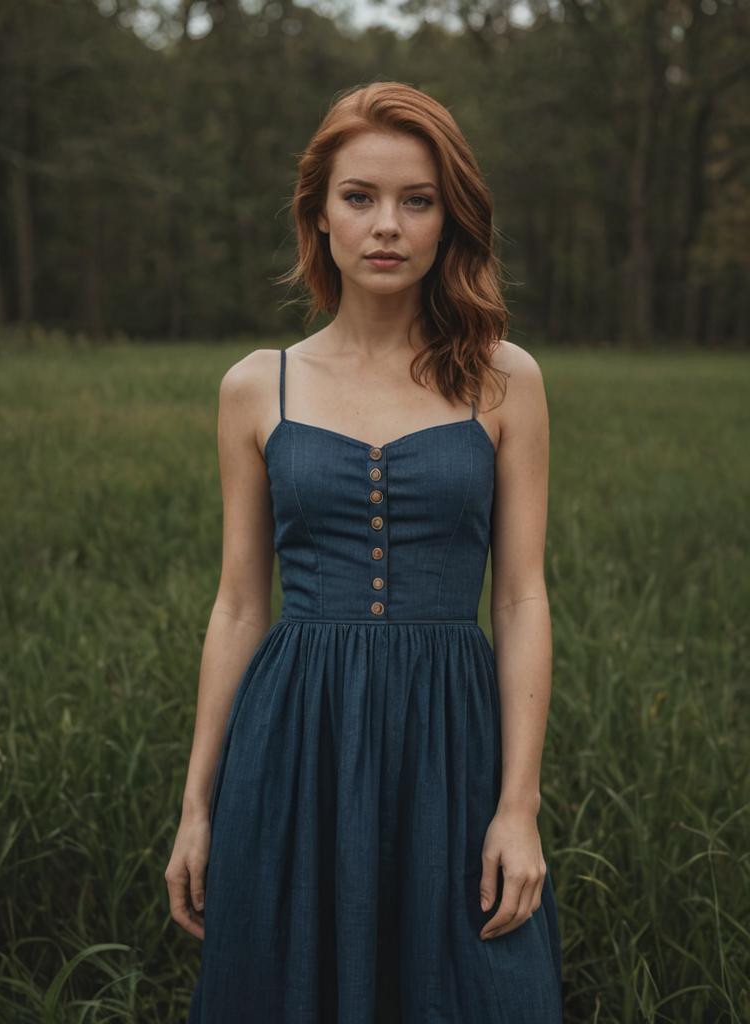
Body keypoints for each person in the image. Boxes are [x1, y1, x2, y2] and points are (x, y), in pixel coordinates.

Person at [167, 80, 564, 1022]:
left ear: (447, 220)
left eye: (416, 201)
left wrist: (518, 805)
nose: (388, 225)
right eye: (361, 198)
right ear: (321, 216)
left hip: (452, 741)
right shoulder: (258, 388)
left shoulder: (505, 379)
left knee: (475, 989)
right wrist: (197, 807)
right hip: (295, 741)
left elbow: (520, 601)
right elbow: (238, 605)